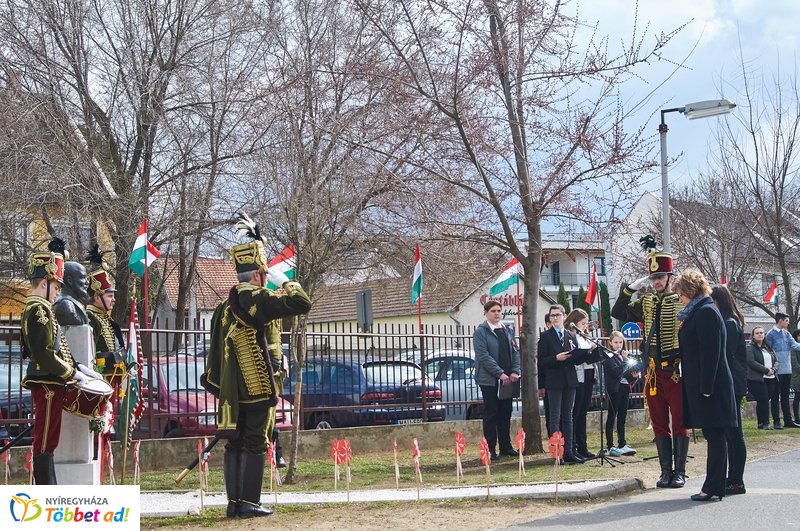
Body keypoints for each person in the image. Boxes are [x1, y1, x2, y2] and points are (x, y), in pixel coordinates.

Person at [203, 215, 312, 518]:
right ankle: (249, 502)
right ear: (259, 274)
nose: (267, 279)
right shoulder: (259, 297)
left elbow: (214, 349)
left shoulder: (225, 305)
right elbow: (302, 303)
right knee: (254, 440)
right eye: (266, 273)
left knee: (234, 442)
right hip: (257, 386)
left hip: (231, 389)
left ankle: (234, 503)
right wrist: (287, 281)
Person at [611, 236, 689, 488]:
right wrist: (629, 289)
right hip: (653, 372)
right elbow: (617, 312)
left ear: (670, 278)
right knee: (658, 421)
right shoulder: (645, 301)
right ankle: (665, 471)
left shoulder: (680, 300)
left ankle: (679, 471)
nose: (656, 282)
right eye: (653, 278)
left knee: (679, 421)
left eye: (660, 277)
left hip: (675, 369)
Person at [20, 238, 98, 484]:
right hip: (47, 380)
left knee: (49, 437)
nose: (57, 293)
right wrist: (70, 374)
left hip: (51, 380)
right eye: (55, 287)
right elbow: (44, 353)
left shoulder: (41, 308)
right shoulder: (39, 310)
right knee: (45, 438)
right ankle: (45, 490)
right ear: (44, 283)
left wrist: (78, 367)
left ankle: (50, 487)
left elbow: (57, 346)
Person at [673, 269, 737, 501]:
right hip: (705, 384)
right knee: (714, 434)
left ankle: (712, 487)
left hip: (711, 386)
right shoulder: (700, 310)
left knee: (715, 434)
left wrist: (706, 388)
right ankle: (714, 486)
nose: (679, 298)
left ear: (690, 290)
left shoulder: (706, 312)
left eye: (680, 293)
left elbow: (711, 354)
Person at [537, 304, 597, 464]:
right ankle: (557, 451)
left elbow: (575, 358)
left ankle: (569, 451)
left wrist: (587, 352)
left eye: (558, 315)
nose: (555, 318)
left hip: (570, 380)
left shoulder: (570, 335)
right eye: (552, 316)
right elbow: (541, 361)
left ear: (564, 316)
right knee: (555, 416)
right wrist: (556, 358)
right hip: (554, 380)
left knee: (568, 416)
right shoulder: (545, 336)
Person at [710, 285, 748, 495]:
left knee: (734, 433)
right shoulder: (727, 322)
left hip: (733, 384)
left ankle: (736, 479)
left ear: (719, 301)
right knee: (729, 432)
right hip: (732, 382)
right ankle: (732, 477)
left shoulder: (730, 323)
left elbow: (725, 353)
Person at [473, 300, 521, 460]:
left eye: (499, 311)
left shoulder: (507, 330)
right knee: (491, 413)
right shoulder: (481, 332)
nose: (496, 313)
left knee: (505, 413)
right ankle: (490, 449)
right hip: (490, 380)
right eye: (493, 311)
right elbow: (483, 356)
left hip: (508, 380)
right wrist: (500, 374)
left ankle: (506, 447)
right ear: (486, 313)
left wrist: (514, 371)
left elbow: (515, 352)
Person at [565, 309, 604, 459]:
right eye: (582, 322)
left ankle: (583, 446)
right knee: (576, 412)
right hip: (578, 375)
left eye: (585, 322)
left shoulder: (585, 335)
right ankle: (573, 446)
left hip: (588, 373)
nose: (584, 325)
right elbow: (575, 355)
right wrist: (586, 352)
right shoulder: (571, 335)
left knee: (583, 412)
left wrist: (593, 351)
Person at [85, 245, 126, 389]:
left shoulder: (106, 319)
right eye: (109, 296)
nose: (113, 300)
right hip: (100, 378)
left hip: (111, 377)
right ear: (96, 296)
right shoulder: (90, 318)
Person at [605, 331, 640, 457]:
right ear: (610, 343)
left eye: (620, 342)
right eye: (615, 342)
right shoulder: (609, 356)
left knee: (622, 417)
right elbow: (616, 372)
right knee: (612, 416)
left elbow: (629, 373)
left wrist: (634, 377)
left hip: (625, 388)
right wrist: (625, 361)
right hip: (615, 390)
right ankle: (610, 445)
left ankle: (622, 443)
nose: (618, 345)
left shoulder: (623, 356)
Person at [765, 313, 800, 428]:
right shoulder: (770, 334)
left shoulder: (787, 333)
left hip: (787, 369)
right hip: (777, 370)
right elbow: (768, 351)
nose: (788, 323)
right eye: (786, 320)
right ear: (780, 320)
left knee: (785, 396)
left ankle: (788, 420)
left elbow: (795, 345)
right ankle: (776, 421)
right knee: (775, 396)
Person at [746, 327, 780, 430]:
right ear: (753, 335)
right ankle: (765, 423)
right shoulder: (749, 347)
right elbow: (751, 362)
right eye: (757, 333)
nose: (760, 334)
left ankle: (761, 423)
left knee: (763, 400)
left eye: (761, 333)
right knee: (764, 399)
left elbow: (777, 361)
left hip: (771, 378)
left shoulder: (768, 347)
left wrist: (773, 370)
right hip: (757, 379)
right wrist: (766, 370)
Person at [53, 261, 90, 326]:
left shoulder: (72, 302)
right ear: (69, 280)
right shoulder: (65, 305)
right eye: (83, 277)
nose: (87, 282)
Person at [793, 329, 800, 426]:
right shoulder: (794, 348)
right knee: (797, 397)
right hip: (797, 377)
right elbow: (794, 363)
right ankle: (797, 418)